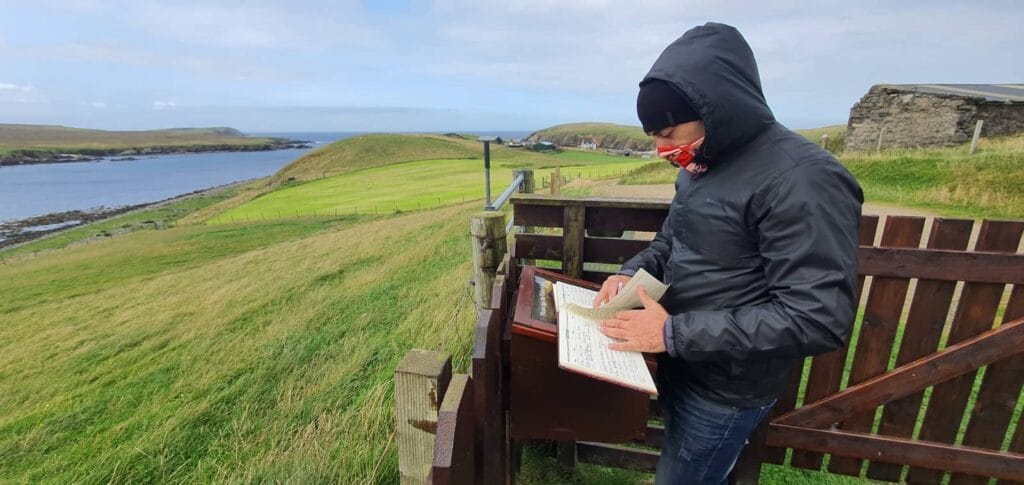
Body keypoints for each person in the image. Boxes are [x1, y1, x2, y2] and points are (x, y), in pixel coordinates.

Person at [592, 23, 863, 484]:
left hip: (726, 389)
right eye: (653, 136)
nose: (661, 150)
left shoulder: (804, 179)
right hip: (679, 360)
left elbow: (818, 317)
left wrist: (674, 333)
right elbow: (671, 244)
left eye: (668, 131)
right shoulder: (700, 166)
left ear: (714, 108)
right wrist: (629, 275)